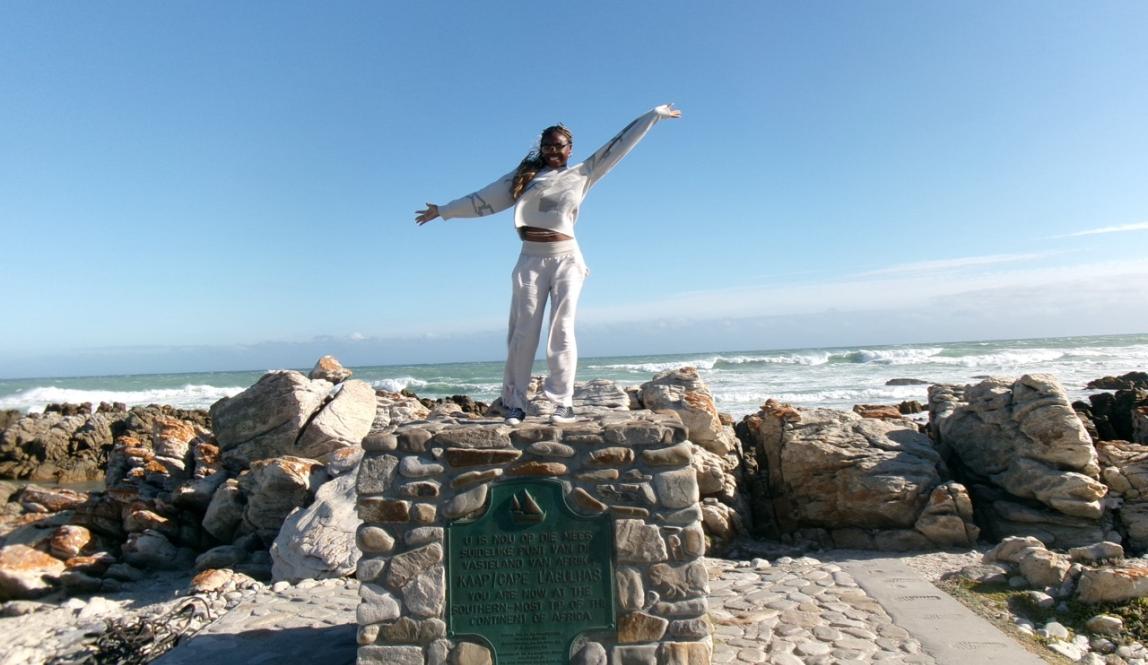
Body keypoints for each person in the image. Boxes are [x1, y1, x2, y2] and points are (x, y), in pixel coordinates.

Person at [416, 104, 682, 425]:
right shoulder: (523, 178)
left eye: (559, 146)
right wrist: (444, 210)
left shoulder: (584, 172)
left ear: (570, 149)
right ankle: (514, 403)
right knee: (522, 333)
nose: (554, 151)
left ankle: (562, 402)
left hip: (566, 259)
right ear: (541, 149)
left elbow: (619, 144)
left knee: (562, 329)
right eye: (548, 146)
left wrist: (654, 115)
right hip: (530, 259)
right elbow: (483, 198)